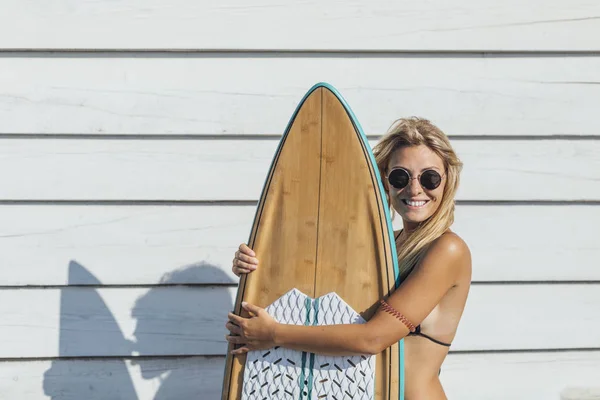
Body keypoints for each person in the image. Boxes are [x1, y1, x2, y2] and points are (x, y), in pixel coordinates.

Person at [226, 117, 472, 400]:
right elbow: (314, 281)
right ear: (385, 181)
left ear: (447, 181)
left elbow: (373, 339)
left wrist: (276, 335)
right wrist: (255, 264)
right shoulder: (386, 246)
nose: (415, 189)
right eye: (401, 177)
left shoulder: (447, 250)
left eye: (429, 177)